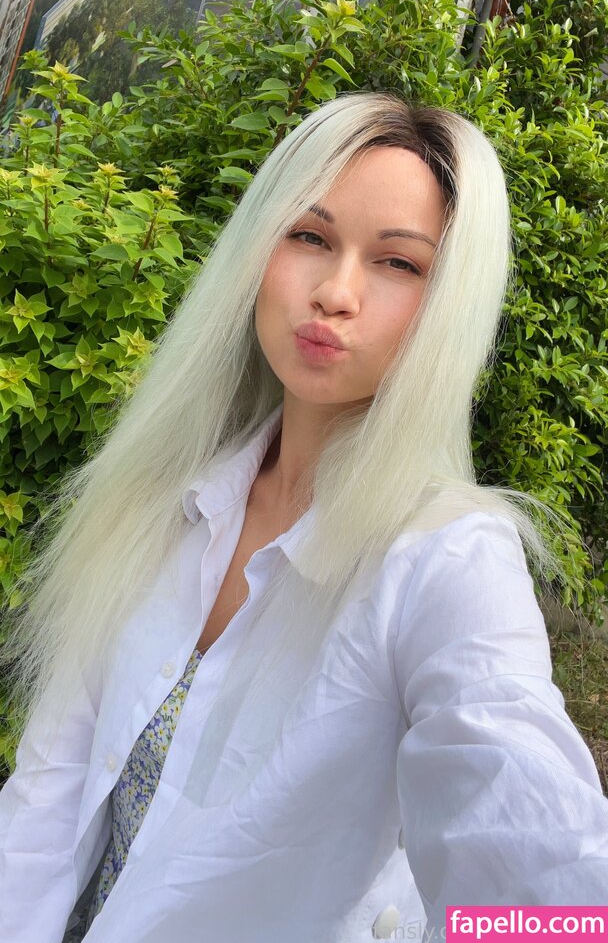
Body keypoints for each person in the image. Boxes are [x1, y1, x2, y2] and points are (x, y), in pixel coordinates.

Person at [1, 91, 607, 943]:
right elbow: (51, 784)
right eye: (311, 237)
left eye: (398, 263)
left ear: (448, 303)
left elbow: (540, 866)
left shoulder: (446, 561)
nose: (335, 292)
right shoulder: (168, 496)